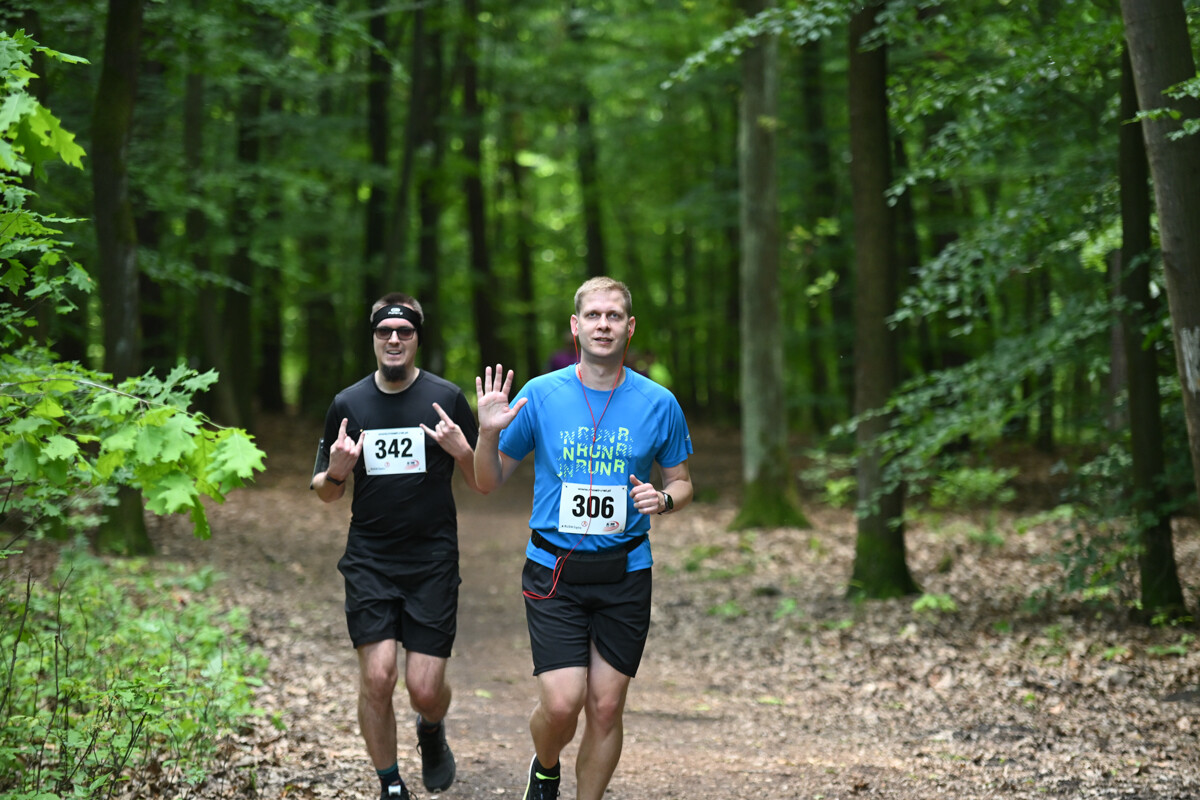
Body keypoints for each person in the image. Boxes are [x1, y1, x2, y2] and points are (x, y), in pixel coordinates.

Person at [473, 276, 694, 800]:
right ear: (575, 326)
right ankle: (545, 767)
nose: (603, 324)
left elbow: (682, 482)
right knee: (561, 702)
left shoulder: (659, 402)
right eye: (593, 315)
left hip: (626, 570)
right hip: (554, 571)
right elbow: (486, 481)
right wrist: (485, 434)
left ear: (629, 327)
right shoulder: (539, 395)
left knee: (606, 705)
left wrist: (662, 500)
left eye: (613, 316)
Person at [311, 292, 481, 800]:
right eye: (384, 331)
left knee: (425, 691)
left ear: (416, 338)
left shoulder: (445, 399)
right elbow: (324, 491)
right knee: (379, 677)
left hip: (431, 560)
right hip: (370, 560)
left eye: (404, 332)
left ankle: (431, 728)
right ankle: (390, 785)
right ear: (373, 338)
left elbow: (481, 480)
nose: (393, 339)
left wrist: (464, 450)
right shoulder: (349, 404)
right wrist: (337, 473)